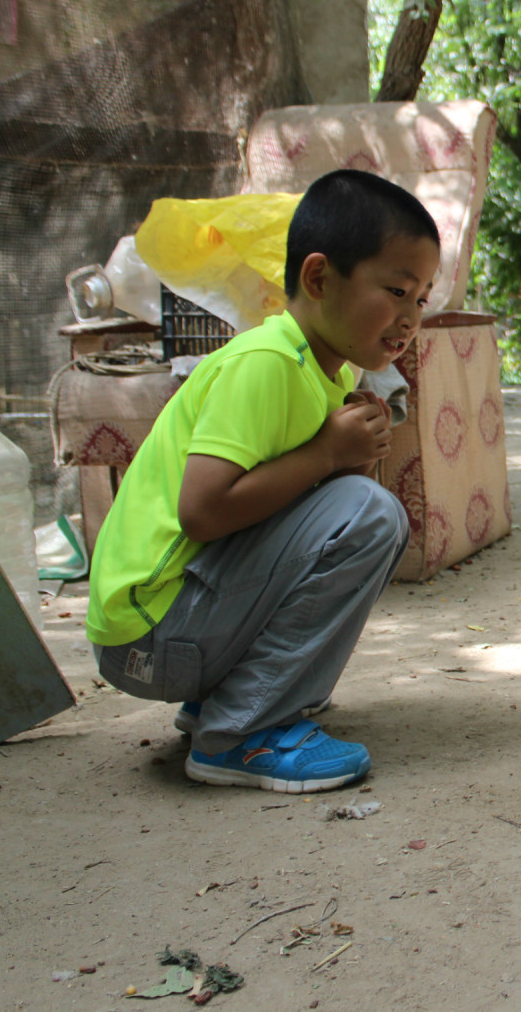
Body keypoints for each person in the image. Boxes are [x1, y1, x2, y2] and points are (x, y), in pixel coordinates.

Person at [85, 169, 440, 793]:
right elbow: (203, 512)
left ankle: (232, 701)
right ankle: (241, 734)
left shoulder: (322, 372)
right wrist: (330, 454)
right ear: (319, 277)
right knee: (374, 514)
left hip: (173, 629)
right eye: (396, 290)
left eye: (421, 300)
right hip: (151, 634)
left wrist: (348, 454)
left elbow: (301, 520)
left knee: (364, 510)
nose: (410, 317)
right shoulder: (267, 364)